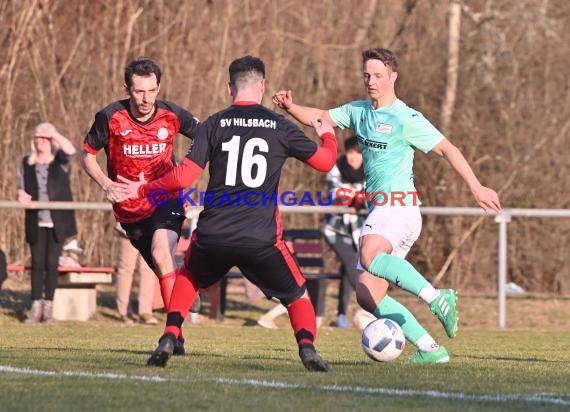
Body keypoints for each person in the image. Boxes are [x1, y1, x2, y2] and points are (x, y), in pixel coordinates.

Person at [272, 47, 502, 364]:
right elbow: (321, 119)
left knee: (369, 253)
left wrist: (476, 186)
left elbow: (449, 148)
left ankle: (438, 298)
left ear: (392, 77)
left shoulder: (406, 118)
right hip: (384, 211)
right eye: (367, 75)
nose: (372, 81)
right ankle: (431, 349)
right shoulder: (359, 111)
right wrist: (290, 106)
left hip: (399, 206)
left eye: (378, 75)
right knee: (367, 293)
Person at [116, 55, 338, 372]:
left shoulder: (213, 124)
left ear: (229, 87)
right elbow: (326, 162)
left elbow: (183, 178)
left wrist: (142, 189)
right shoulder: (280, 126)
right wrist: (327, 133)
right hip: (261, 237)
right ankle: (307, 348)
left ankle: (169, 335)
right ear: (262, 86)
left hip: (213, 233)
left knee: (189, 276)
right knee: (298, 294)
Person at [82, 57, 199, 353]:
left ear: (158, 87)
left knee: (162, 252)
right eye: (138, 91)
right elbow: (87, 156)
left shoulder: (172, 114)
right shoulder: (110, 117)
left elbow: (207, 136)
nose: (146, 99)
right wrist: (107, 185)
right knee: (162, 267)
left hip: (164, 197)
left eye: (151, 91)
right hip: (130, 211)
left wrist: (187, 169)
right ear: (127, 89)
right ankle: (185, 290)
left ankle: (173, 335)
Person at [256, 136, 364, 330]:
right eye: (350, 152)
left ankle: (341, 315)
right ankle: (372, 305)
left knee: (348, 270)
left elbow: (374, 195)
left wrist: (363, 198)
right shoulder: (336, 168)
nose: (353, 157)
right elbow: (339, 196)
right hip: (335, 229)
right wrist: (360, 198)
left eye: (357, 152)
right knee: (352, 263)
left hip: (358, 230)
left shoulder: (370, 171)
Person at [17, 122, 78, 323]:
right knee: (37, 263)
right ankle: (35, 306)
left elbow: (71, 150)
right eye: (38, 137)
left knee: (52, 264)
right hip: (36, 219)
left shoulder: (59, 160)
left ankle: (48, 308)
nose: (42, 141)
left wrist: (54, 133)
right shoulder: (27, 161)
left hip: (57, 221)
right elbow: (22, 186)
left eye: (45, 138)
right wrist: (21, 195)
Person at [114, 223, 159, 325]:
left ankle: (145, 311)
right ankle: (124, 311)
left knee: (148, 269)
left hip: (150, 229)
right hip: (129, 225)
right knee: (126, 269)